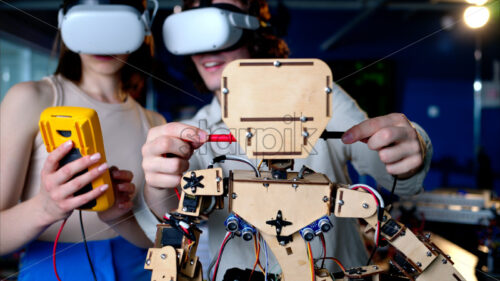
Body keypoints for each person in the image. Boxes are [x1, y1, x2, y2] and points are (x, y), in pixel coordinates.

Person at [140, 0, 432, 279]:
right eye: (194, 34)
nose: (205, 49)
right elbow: (170, 214)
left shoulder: (321, 100)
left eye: (217, 29)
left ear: (256, 31)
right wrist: (156, 185)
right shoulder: (195, 131)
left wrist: (408, 148)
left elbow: (394, 174)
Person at [0, 1, 164, 280]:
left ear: (141, 26)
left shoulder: (155, 123)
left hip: (141, 270)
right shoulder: (32, 98)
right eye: (91, 24)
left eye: (117, 26)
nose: (103, 41)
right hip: (54, 268)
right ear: (67, 23)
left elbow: (160, 240)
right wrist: (45, 207)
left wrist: (120, 216)